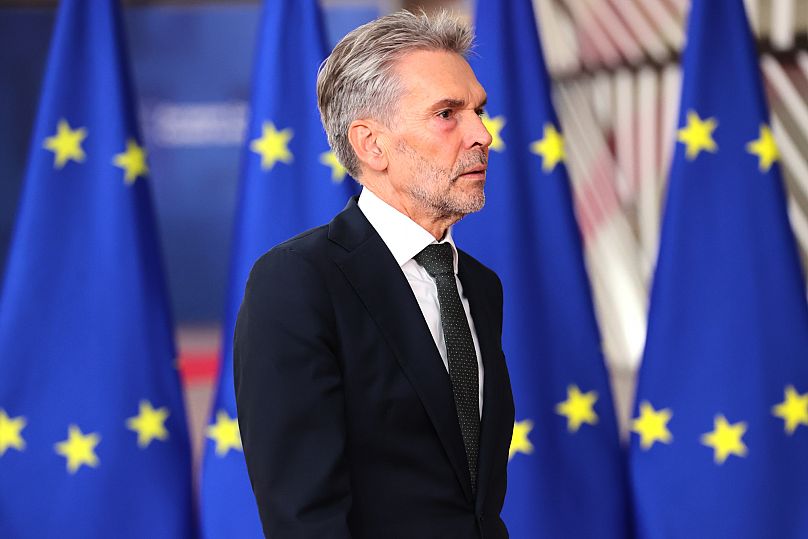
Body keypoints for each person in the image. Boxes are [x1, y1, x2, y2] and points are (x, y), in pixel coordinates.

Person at [234, 9, 514, 538]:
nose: (482, 134)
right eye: (447, 113)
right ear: (371, 144)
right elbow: (304, 517)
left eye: (479, 109)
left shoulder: (479, 286)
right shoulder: (298, 282)